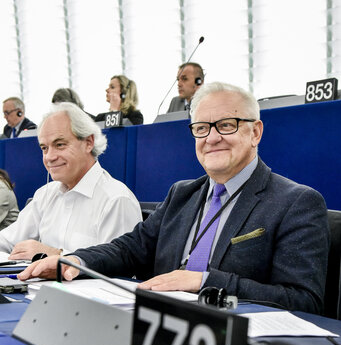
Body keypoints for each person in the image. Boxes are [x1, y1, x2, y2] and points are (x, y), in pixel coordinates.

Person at [19, 82, 329, 315]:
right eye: (201, 128)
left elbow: (304, 301)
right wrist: (77, 260)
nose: (212, 138)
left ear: (255, 132)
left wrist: (204, 280)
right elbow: (129, 248)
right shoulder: (183, 194)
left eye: (226, 125)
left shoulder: (296, 202)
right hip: (160, 329)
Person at [0, 101, 142, 260]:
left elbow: (120, 268)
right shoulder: (45, 194)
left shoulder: (116, 200)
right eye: (44, 148)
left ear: (88, 143)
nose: (49, 157)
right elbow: (7, 240)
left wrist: (56, 255)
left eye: (59, 145)